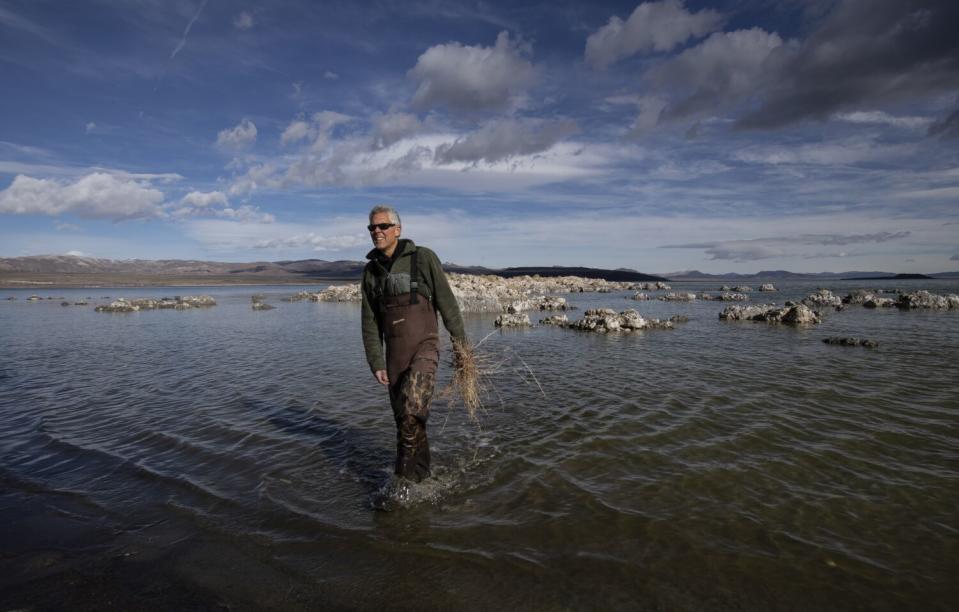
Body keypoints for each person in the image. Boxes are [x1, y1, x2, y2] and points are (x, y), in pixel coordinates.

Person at [360, 204, 467, 483]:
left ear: (398, 229)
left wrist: (462, 349)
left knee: (411, 412)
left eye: (383, 226)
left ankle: (401, 485)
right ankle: (423, 479)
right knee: (405, 423)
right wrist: (376, 361)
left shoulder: (423, 258)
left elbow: (448, 305)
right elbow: (370, 322)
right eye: (372, 227)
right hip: (394, 357)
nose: (377, 232)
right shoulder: (370, 272)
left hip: (425, 348)